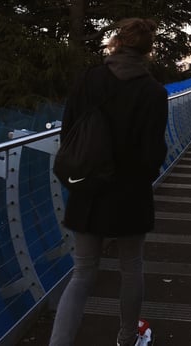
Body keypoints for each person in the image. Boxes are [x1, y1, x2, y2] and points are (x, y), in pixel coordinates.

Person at [49, 18, 168, 346]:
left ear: (117, 41)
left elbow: (69, 132)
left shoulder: (88, 79)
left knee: (83, 274)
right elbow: (153, 152)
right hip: (130, 193)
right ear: (147, 49)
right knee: (131, 268)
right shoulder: (153, 92)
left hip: (88, 190)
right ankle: (128, 338)